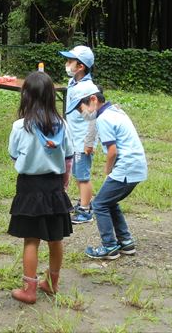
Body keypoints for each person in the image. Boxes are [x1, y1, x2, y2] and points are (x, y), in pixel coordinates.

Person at [8, 72, 74, 304]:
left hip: (29, 187)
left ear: (26, 96)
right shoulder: (62, 125)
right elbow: (68, 158)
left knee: (31, 240)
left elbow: (14, 154)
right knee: (56, 239)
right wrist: (64, 182)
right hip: (55, 186)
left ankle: (29, 289)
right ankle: (52, 284)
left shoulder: (20, 127)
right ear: (51, 97)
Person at [66, 82, 147, 260]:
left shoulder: (104, 119)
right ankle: (126, 243)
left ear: (93, 100)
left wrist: (108, 171)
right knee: (109, 202)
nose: (82, 114)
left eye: (81, 109)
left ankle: (109, 246)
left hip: (126, 167)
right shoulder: (115, 111)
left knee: (100, 204)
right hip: (136, 165)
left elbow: (112, 151)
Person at [59, 46, 97, 225]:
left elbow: (94, 118)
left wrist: (89, 143)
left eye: (70, 61)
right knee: (76, 173)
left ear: (80, 66)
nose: (67, 64)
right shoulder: (74, 83)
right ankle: (84, 202)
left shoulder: (89, 88)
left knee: (83, 176)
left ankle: (85, 210)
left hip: (83, 141)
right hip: (73, 139)